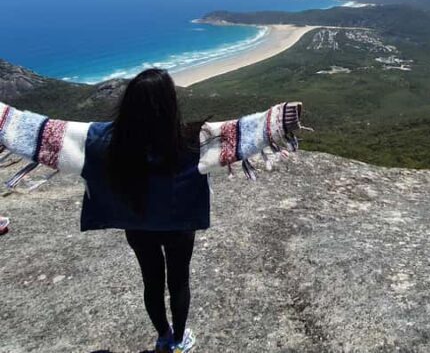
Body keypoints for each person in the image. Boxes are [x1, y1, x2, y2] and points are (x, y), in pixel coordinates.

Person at [0, 68, 305, 353]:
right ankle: (179, 340)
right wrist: (283, 117)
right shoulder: (193, 138)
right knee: (179, 281)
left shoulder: (104, 139)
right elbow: (244, 132)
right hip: (179, 226)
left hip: (137, 225)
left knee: (151, 281)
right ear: (170, 103)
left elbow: (47, 133)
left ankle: (163, 335)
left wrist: (4, 119)